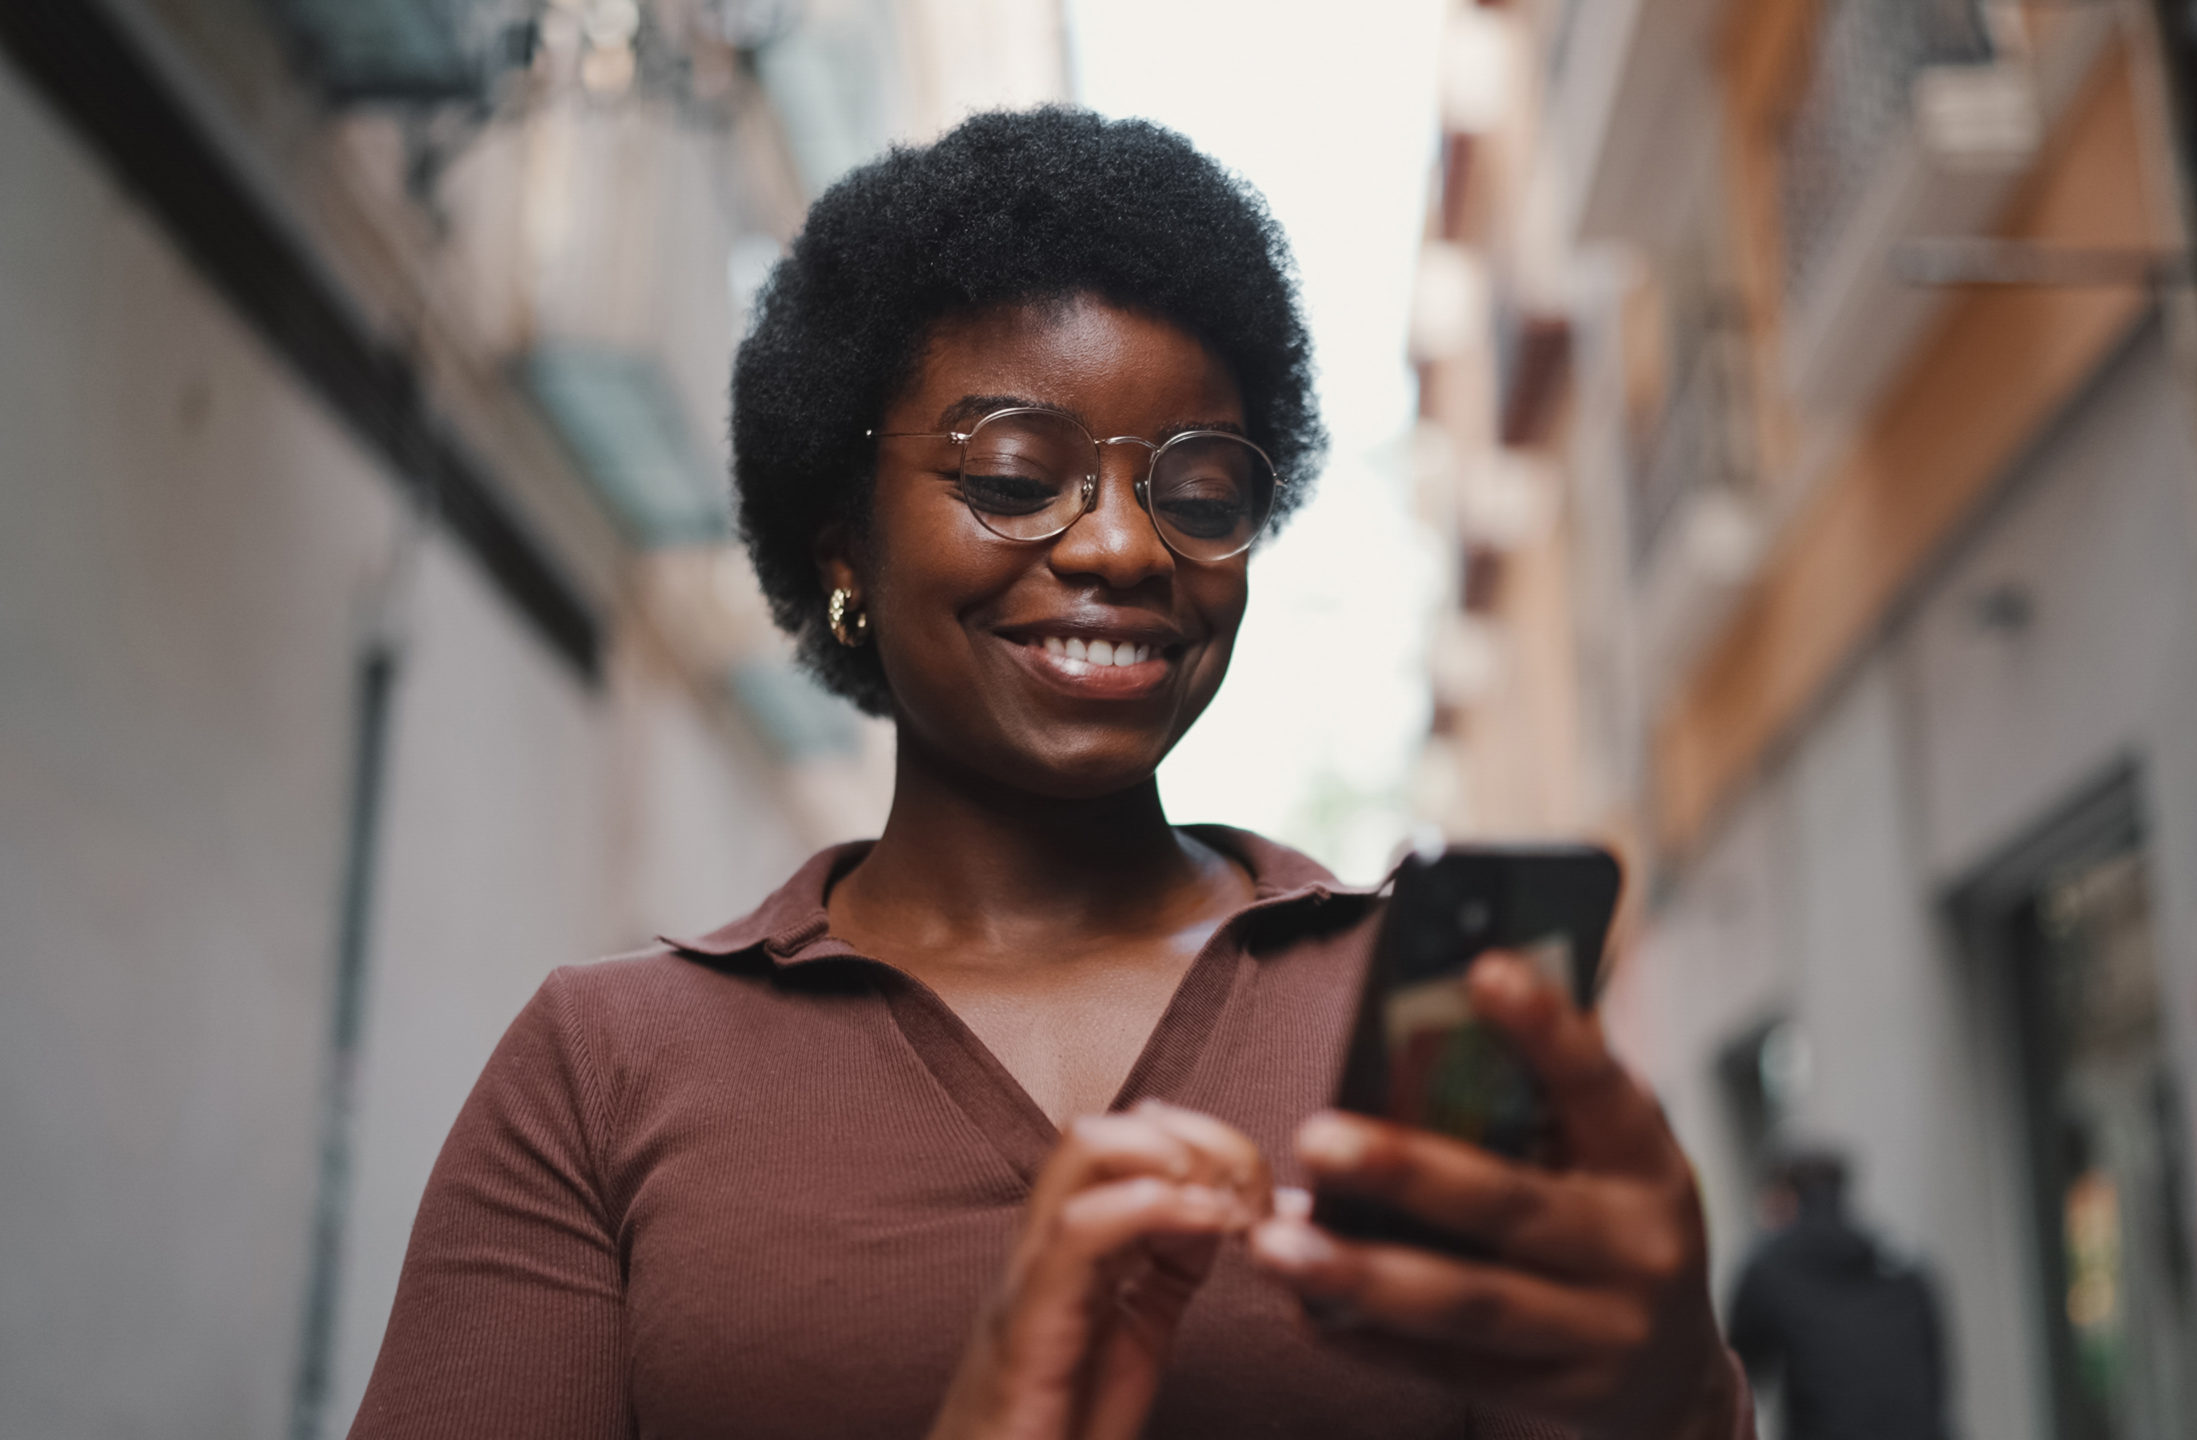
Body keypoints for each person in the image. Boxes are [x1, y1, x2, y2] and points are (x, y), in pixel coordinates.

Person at [349, 108, 1752, 1440]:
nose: (1128, 550)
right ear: (843, 540)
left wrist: (1676, 1385)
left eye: (1200, 495)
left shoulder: (1435, 1015)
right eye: (1017, 477)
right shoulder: (608, 1068)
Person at [1726, 1152, 1948, 1440]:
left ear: (1784, 1197)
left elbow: (1737, 1373)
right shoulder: (1901, 1263)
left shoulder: (1770, 1266)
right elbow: (1936, 1374)